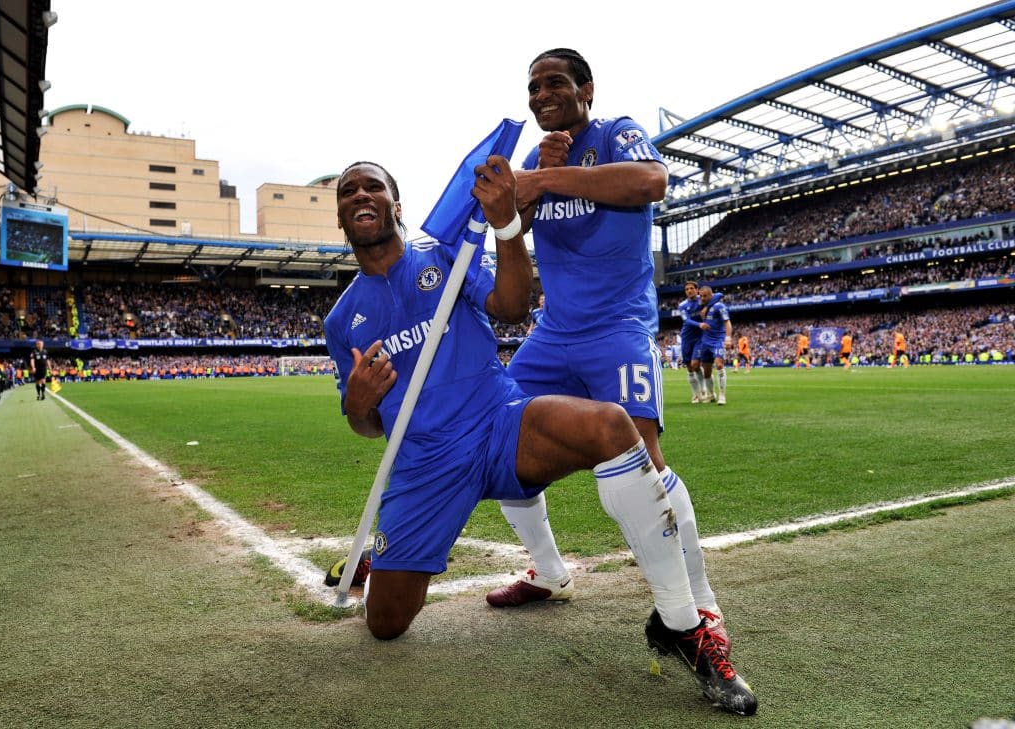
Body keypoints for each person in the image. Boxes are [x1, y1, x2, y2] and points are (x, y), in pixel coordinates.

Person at [323, 158, 756, 715]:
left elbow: (511, 305)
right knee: (385, 625)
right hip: (425, 464)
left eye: (373, 186)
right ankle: (384, 566)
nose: (361, 194)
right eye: (348, 190)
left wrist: (506, 227)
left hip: (499, 423)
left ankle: (680, 622)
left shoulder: (447, 257)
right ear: (339, 214)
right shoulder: (342, 320)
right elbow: (366, 424)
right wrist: (358, 404)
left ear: (396, 204)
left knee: (610, 425)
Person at [487, 48, 735, 658]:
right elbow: (510, 224)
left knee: (643, 455)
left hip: (618, 327)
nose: (542, 94)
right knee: (495, 438)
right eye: (533, 87)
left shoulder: (616, 132)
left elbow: (651, 182)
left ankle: (699, 606)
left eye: (555, 83)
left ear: (586, 89)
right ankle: (548, 570)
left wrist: (547, 179)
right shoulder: (534, 157)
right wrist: (524, 190)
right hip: (553, 332)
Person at [696, 286, 733, 406]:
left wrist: (728, 338)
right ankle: (711, 395)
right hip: (705, 341)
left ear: (711, 295)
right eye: (701, 296)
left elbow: (727, 322)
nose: (702, 298)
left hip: (718, 340)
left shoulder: (719, 306)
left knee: (719, 364)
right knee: (706, 371)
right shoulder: (700, 305)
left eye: (705, 295)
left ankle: (722, 395)